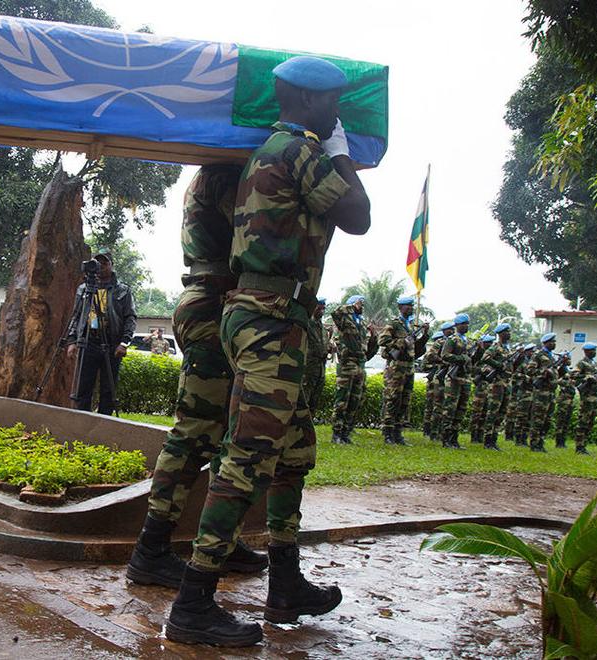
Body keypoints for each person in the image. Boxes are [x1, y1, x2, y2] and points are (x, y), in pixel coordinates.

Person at [165, 55, 370, 647]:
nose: (337, 112)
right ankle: (192, 604)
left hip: (278, 319)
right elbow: (358, 215)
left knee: (292, 453)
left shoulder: (275, 152)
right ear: (307, 100)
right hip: (269, 322)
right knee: (248, 457)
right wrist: (340, 152)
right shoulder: (298, 150)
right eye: (331, 102)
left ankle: (285, 583)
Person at [126, 164, 267, 591]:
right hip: (212, 305)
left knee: (226, 433)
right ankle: (150, 550)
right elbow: (253, 238)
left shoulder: (221, 172)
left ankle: (223, 541)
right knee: (195, 432)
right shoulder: (223, 174)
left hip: (216, 300)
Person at [65, 252, 137, 416]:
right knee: (83, 388)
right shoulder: (84, 289)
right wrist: (72, 341)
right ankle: (81, 422)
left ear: (111, 265)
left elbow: (130, 318)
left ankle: (105, 422)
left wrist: (124, 342)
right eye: (97, 263)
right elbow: (76, 315)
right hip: (88, 342)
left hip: (112, 344)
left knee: (108, 390)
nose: (101, 266)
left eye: (105, 263)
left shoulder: (123, 290)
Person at [379, 296, 429, 446]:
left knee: (405, 400)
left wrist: (425, 335)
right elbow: (383, 340)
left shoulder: (411, 326)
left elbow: (416, 349)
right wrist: (402, 342)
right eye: (407, 306)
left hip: (409, 367)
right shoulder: (394, 324)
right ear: (400, 308)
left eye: (412, 306)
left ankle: (398, 432)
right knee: (393, 399)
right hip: (396, 367)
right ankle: (388, 432)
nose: (410, 308)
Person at [330, 294, 378, 444]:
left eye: (362, 303)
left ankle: (346, 433)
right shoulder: (344, 320)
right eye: (359, 303)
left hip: (360, 364)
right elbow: (336, 312)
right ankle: (337, 433)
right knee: (342, 399)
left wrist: (373, 336)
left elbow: (367, 349)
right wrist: (351, 307)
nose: (361, 306)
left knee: (355, 400)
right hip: (347, 364)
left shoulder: (361, 323)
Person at [571, 342, 597, 455]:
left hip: (595, 397)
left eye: (595, 350)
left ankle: (584, 445)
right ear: (586, 351)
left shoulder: (594, 364)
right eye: (592, 350)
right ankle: (579, 447)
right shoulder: (582, 363)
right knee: (583, 421)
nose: (594, 352)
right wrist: (587, 377)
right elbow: (573, 375)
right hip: (586, 397)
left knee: (590, 422)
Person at [437, 313, 471, 449]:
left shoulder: (468, 341)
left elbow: (471, 359)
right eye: (463, 324)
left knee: (461, 409)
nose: (466, 326)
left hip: (465, 377)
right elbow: (444, 355)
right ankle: (446, 439)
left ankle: (454, 438)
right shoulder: (452, 340)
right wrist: (461, 358)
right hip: (454, 378)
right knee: (450, 408)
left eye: (467, 324)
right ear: (457, 325)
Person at [479, 323, 513, 451]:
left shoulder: (508, 349)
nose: (509, 334)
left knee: (502, 412)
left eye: (509, 331)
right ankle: (487, 440)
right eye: (506, 332)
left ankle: (494, 439)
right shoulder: (495, 347)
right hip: (496, 384)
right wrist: (498, 365)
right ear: (501, 334)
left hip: (506, 383)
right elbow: (485, 357)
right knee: (493, 412)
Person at [525, 333, 559, 453]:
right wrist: (543, 372)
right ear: (545, 343)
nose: (554, 344)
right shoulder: (538, 355)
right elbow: (530, 370)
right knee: (538, 419)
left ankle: (541, 442)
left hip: (551, 392)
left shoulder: (552, 356)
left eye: (555, 342)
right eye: (552, 342)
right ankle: (534, 443)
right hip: (541, 392)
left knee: (547, 420)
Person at [421, 322, 454, 440]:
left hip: (448, 376)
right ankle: (432, 431)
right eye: (449, 329)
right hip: (438, 377)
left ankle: (440, 431)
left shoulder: (453, 342)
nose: (452, 331)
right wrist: (443, 361)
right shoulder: (440, 342)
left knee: (445, 405)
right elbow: (429, 359)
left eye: (453, 329)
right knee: (435, 405)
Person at [303, 298, 331, 419]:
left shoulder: (322, 328)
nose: (322, 311)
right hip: (309, 368)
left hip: (320, 369)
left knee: (314, 400)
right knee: (305, 398)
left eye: (324, 308)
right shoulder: (307, 324)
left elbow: (324, 346)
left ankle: (309, 423)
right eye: (319, 307)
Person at [505, 343, 536, 446]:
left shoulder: (534, 363)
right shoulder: (522, 363)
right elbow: (515, 374)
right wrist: (525, 377)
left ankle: (524, 438)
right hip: (523, 392)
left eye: (533, 351)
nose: (532, 353)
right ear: (526, 352)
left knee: (529, 417)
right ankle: (517, 438)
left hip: (532, 391)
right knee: (521, 416)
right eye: (531, 351)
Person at [468, 334, 495, 444]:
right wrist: (482, 371)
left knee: (485, 411)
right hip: (480, 386)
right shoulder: (478, 354)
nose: (490, 345)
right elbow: (471, 367)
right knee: (477, 411)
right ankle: (473, 434)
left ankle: (480, 433)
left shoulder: (492, 355)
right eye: (488, 343)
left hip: (489, 385)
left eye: (491, 343)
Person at [552, 352, 576, 449]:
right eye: (568, 359)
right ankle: (559, 441)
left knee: (566, 421)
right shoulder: (560, 369)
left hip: (570, 398)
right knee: (561, 420)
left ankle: (563, 440)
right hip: (564, 398)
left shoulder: (568, 369)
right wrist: (569, 381)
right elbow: (557, 380)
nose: (569, 360)